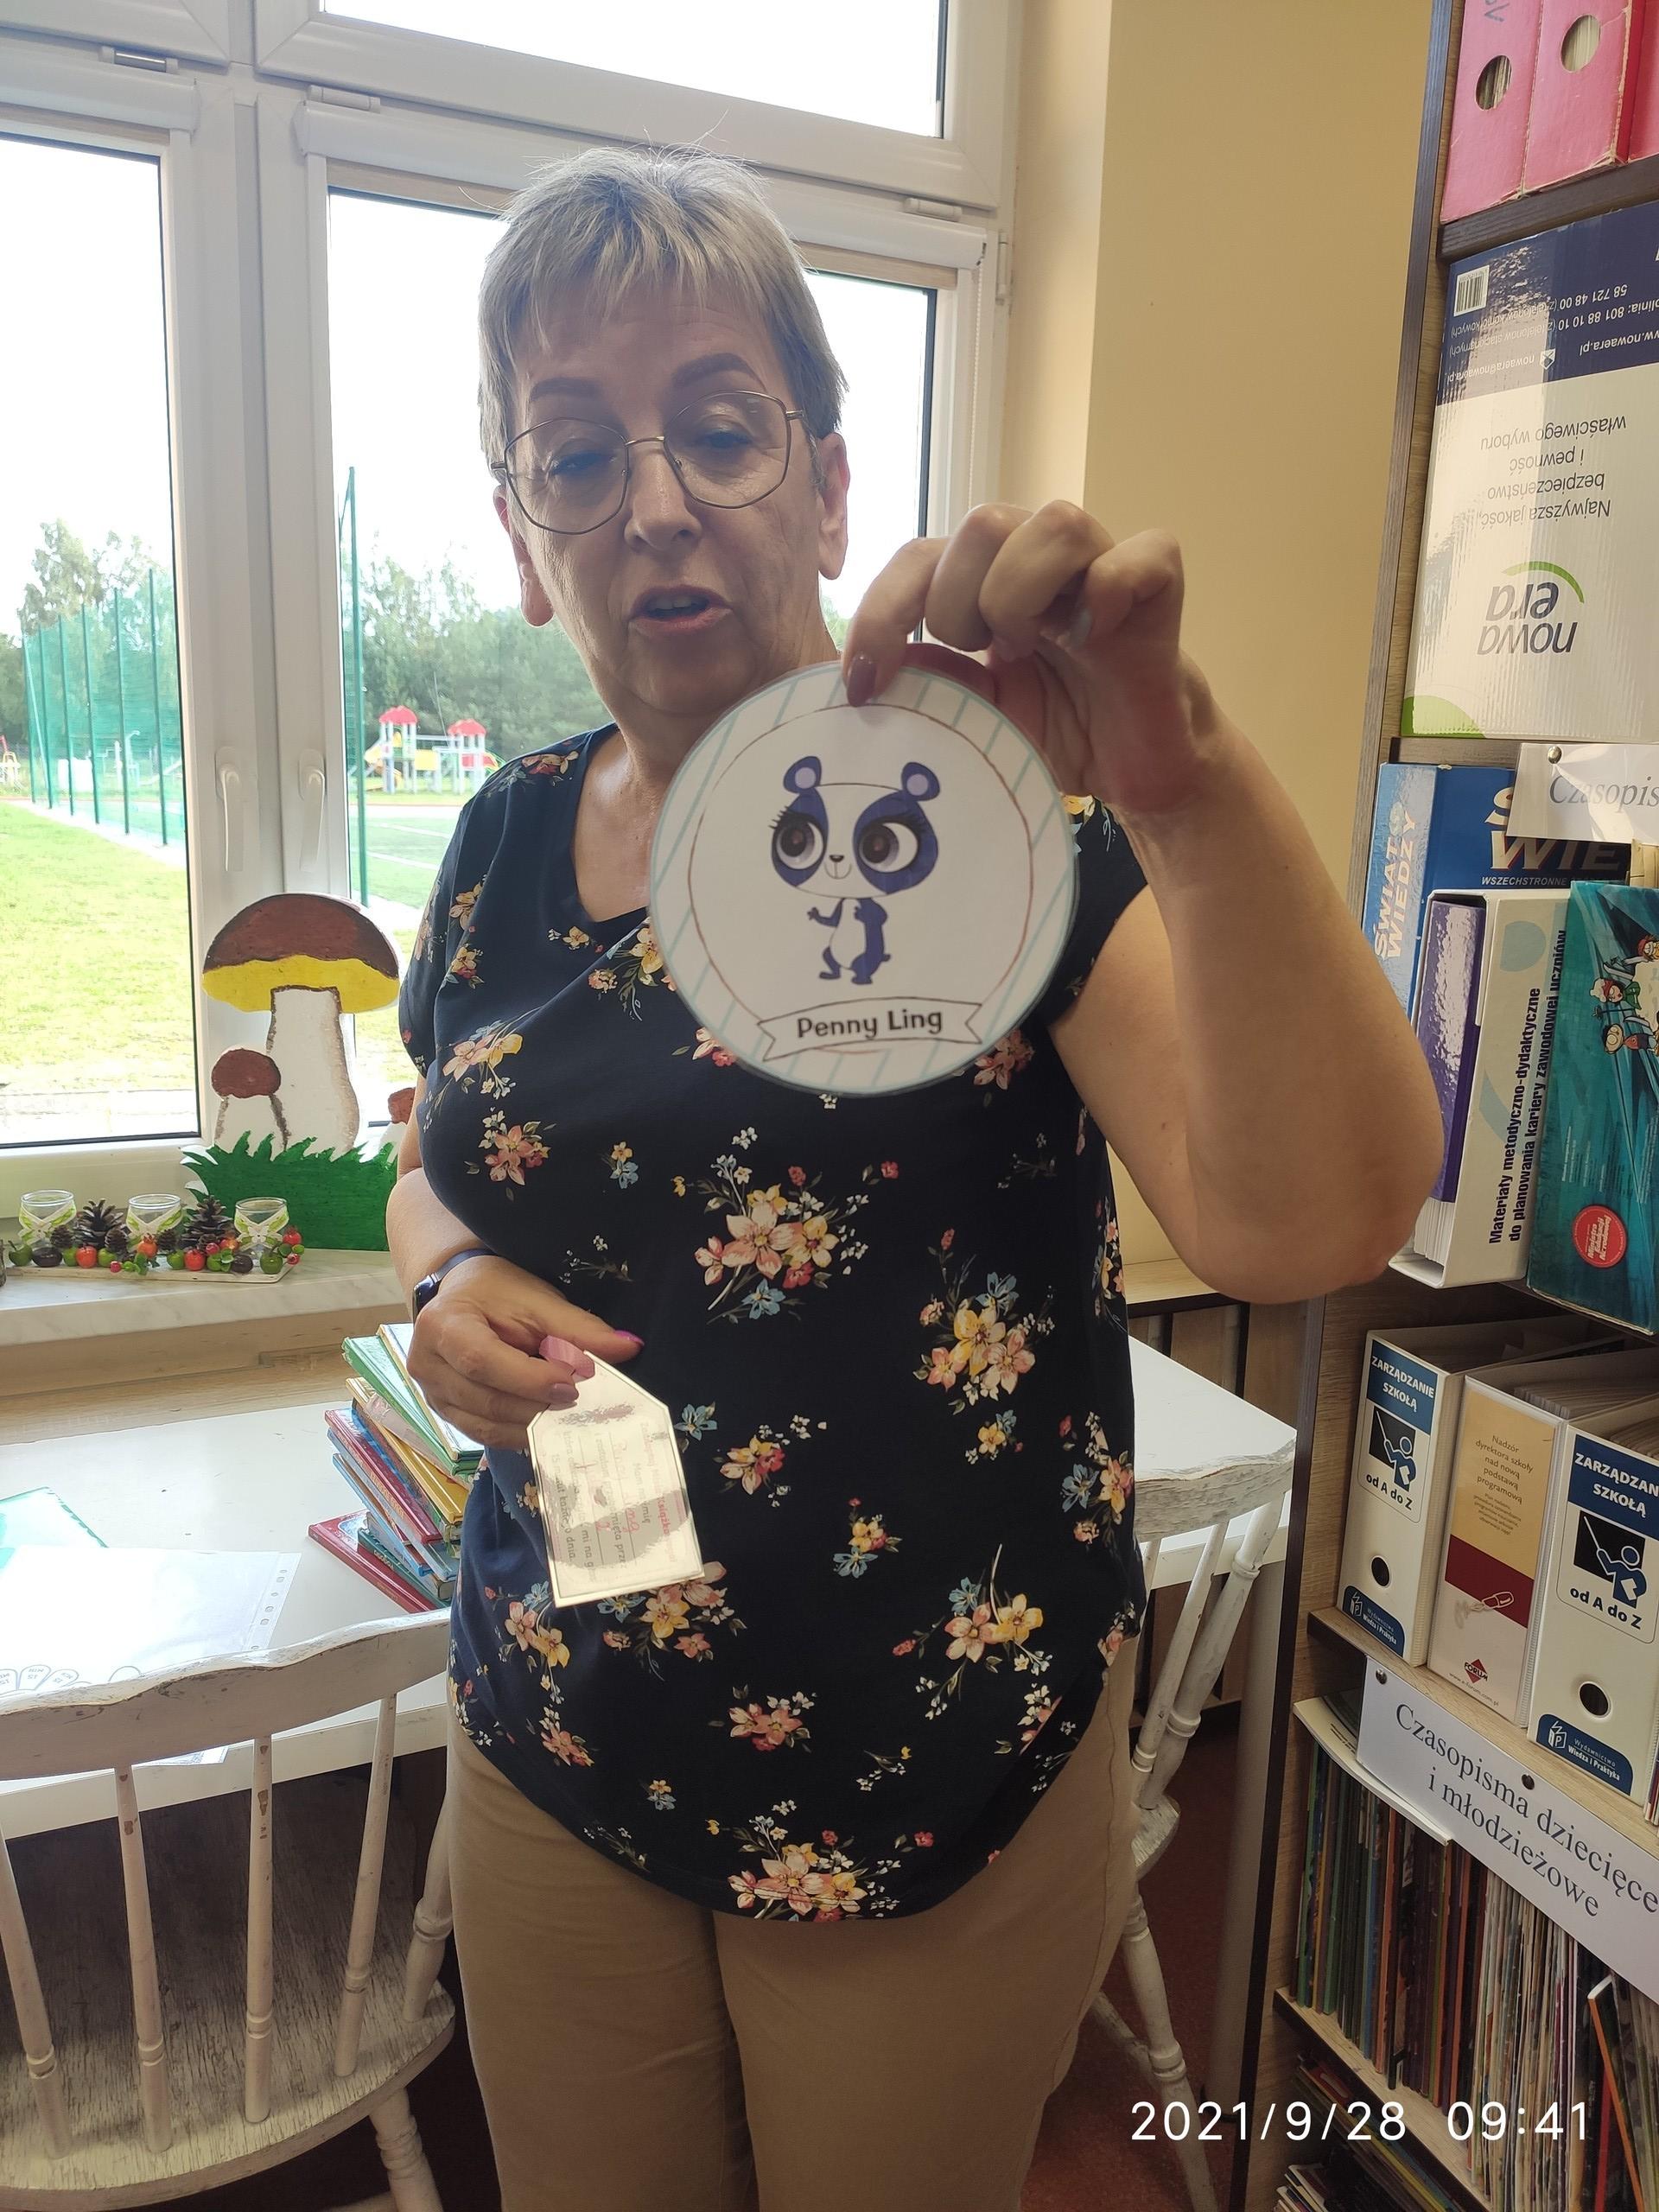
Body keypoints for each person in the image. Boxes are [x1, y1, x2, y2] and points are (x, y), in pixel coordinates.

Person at [388, 144, 1442, 2212]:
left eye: (718, 428)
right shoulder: (505, 837)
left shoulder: (986, 818)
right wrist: (439, 1275)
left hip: (922, 1767)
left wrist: (1180, 778)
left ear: (828, 486)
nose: (654, 502)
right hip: (563, 1722)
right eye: (577, 454)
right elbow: (435, 1149)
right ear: (522, 537)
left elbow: (1306, 1219)